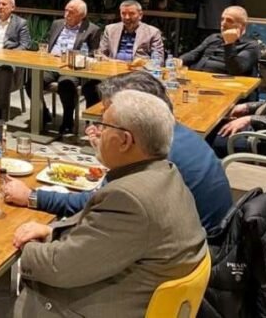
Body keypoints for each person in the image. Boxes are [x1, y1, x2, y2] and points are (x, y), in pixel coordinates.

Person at [11, 90, 207, 317]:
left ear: (125, 141)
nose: (96, 133)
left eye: (103, 126)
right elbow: (101, 237)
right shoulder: (167, 173)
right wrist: (51, 231)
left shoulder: (129, 199)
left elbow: (59, 268)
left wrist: (26, 247)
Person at [4, 71, 232, 233]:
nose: (101, 123)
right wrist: (108, 150)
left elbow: (99, 202)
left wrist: (33, 197)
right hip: (202, 243)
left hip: (183, 261)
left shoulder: (160, 157)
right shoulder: (175, 134)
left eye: (107, 116)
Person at [27, 0, 101, 135]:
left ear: (82, 15)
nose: (67, 14)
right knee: (32, 82)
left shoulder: (92, 29)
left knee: (66, 84)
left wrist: (73, 57)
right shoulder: (57, 24)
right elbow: (48, 44)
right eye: (66, 10)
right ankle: (43, 113)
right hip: (51, 65)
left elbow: (93, 54)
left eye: (71, 12)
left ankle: (67, 120)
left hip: (72, 68)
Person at [214, 27, 266, 157]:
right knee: (216, 127)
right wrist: (247, 107)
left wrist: (249, 119)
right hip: (262, 130)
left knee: (212, 140)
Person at [180, 5, 259, 76]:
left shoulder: (251, 45)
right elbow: (194, 54)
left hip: (224, 83)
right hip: (197, 76)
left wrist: (229, 44)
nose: (223, 23)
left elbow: (236, 70)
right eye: (222, 19)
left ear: (242, 25)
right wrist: (179, 61)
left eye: (229, 20)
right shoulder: (214, 37)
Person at [97, 0, 165, 63]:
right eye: (123, 13)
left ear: (140, 15)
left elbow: (158, 60)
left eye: (131, 13)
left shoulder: (153, 32)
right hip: (114, 67)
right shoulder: (110, 30)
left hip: (139, 70)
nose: (127, 17)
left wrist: (142, 63)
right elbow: (100, 54)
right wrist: (112, 61)